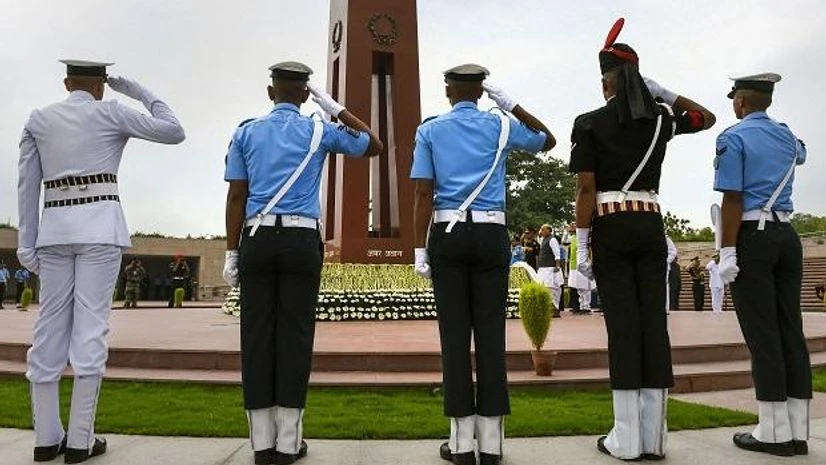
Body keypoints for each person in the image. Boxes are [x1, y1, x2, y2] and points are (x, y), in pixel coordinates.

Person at [17, 59, 184, 463]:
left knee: (48, 329)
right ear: (101, 85)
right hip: (99, 229)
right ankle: (79, 440)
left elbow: (27, 184)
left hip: (54, 231)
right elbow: (174, 130)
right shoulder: (110, 110)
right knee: (90, 328)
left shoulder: (39, 119)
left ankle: (45, 438)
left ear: (66, 81)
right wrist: (137, 90)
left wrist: (27, 244)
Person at [222, 61, 382, 465]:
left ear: (271, 91)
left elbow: (236, 197)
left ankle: (261, 443)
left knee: (256, 337)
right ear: (305, 93)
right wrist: (335, 109)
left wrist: (231, 251)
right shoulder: (319, 129)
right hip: (300, 239)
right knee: (295, 336)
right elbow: (373, 144)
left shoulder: (246, 131)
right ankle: (290, 442)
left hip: (257, 237)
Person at [569, 18, 715, 461]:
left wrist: (581, 247)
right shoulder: (661, 120)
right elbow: (705, 117)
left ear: (606, 82)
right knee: (654, 325)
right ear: (638, 80)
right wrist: (663, 92)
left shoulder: (589, 122)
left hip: (612, 227)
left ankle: (626, 438)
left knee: (623, 328)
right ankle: (654, 438)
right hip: (651, 225)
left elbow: (586, 191)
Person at [412, 63, 554, 465]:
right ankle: (491, 444)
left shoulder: (430, 130)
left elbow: (423, 193)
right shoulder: (501, 126)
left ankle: (459, 445)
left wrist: (418, 250)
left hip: (448, 234)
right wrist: (515, 106)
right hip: (492, 235)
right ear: (482, 92)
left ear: (448, 91)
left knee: (454, 339)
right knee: (491, 337)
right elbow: (548, 140)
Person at [714, 72, 811, 456]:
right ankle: (797, 428)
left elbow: (732, 199)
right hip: (788, 237)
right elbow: (801, 153)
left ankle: (772, 432)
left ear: (741, 102)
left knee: (762, 334)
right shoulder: (787, 135)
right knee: (791, 330)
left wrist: (726, 251)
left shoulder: (733, 137)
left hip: (752, 235)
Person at [537, 224, 565, 318]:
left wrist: (557, 265)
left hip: (550, 268)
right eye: (541, 229)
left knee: (553, 288)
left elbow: (557, 253)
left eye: (543, 229)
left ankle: (555, 308)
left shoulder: (552, 239)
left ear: (549, 231)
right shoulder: (542, 240)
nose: (541, 231)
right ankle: (547, 308)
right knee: (543, 287)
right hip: (543, 268)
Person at [664, 235, 677, 313]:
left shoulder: (665, 238)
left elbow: (673, 251)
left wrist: (666, 261)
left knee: (663, 286)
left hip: (662, 266)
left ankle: (665, 308)